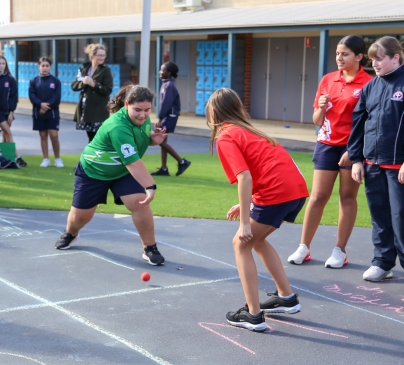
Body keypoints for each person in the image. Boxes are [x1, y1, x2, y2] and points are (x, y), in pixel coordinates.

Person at [210, 88, 308, 332]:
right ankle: (286, 297)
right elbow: (264, 169)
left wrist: (245, 221)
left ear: (214, 112)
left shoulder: (226, 136)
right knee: (258, 240)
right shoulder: (250, 130)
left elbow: (244, 177)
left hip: (277, 192)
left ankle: (253, 314)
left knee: (241, 242)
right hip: (295, 189)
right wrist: (251, 204)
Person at [347, 36, 404, 286]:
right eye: (372, 59)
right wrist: (356, 159)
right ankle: (382, 262)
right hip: (372, 163)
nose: (374, 63)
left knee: (402, 215)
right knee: (379, 216)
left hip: (400, 165)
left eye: (379, 58)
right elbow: (358, 124)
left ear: (396, 57)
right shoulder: (371, 86)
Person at [54, 85, 168, 266]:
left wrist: (153, 139)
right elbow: (132, 161)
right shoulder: (117, 126)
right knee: (80, 217)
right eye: (137, 110)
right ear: (126, 104)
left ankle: (150, 248)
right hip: (94, 171)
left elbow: (139, 138)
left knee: (140, 202)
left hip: (122, 171)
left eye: (147, 110)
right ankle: (71, 232)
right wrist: (150, 185)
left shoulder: (144, 120)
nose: (143, 115)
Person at [287, 35, 372, 269]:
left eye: (344, 54)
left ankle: (339, 250)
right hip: (326, 144)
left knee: (347, 197)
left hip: (351, 147)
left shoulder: (368, 83)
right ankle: (304, 246)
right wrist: (321, 108)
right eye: (337, 53)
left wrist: (355, 151)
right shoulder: (327, 80)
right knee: (317, 197)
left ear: (359, 56)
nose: (339, 58)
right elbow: (316, 119)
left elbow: (369, 122)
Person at [151, 62, 190, 177]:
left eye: (162, 70)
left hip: (169, 116)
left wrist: (160, 118)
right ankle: (164, 169)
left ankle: (182, 162)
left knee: (160, 141)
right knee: (162, 142)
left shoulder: (169, 86)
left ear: (169, 73)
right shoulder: (166, 84)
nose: (160, 72)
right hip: (168, 116)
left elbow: (166, 104)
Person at [0, 55, 24, 166]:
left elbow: (13, 97)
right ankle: (18, 157)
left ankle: (5, 157)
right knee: (8, 132)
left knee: (5, 134)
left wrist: (12, 112)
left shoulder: (10, 79)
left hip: (6, 112)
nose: (1, 66)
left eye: (3, 63)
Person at [72, 43, 113, 142]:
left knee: (97, 139)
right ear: (92, 56)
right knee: (90, 137)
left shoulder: (106, 70)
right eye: (99, 55)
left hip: (99, 111)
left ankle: (94, 157)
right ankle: (90, 157)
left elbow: (108, 90)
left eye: (103, 55)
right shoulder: (84, 69)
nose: (102, 58)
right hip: (86, 110)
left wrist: (94, 84)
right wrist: (83, 83)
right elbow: (74, 86)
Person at [29, 57, 64, 168]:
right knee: (43, 135)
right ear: (39, 66)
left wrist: (46, 106)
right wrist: (40, 104)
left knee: (54, 135)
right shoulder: (33, 81)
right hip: (38, 112)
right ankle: (46, 159)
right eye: (42, 65)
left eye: (47, 66)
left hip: (52, 113)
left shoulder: (55, 81)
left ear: (50, 67)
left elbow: (57, 97)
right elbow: (32, 96)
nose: (45, 68)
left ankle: (57, 158)